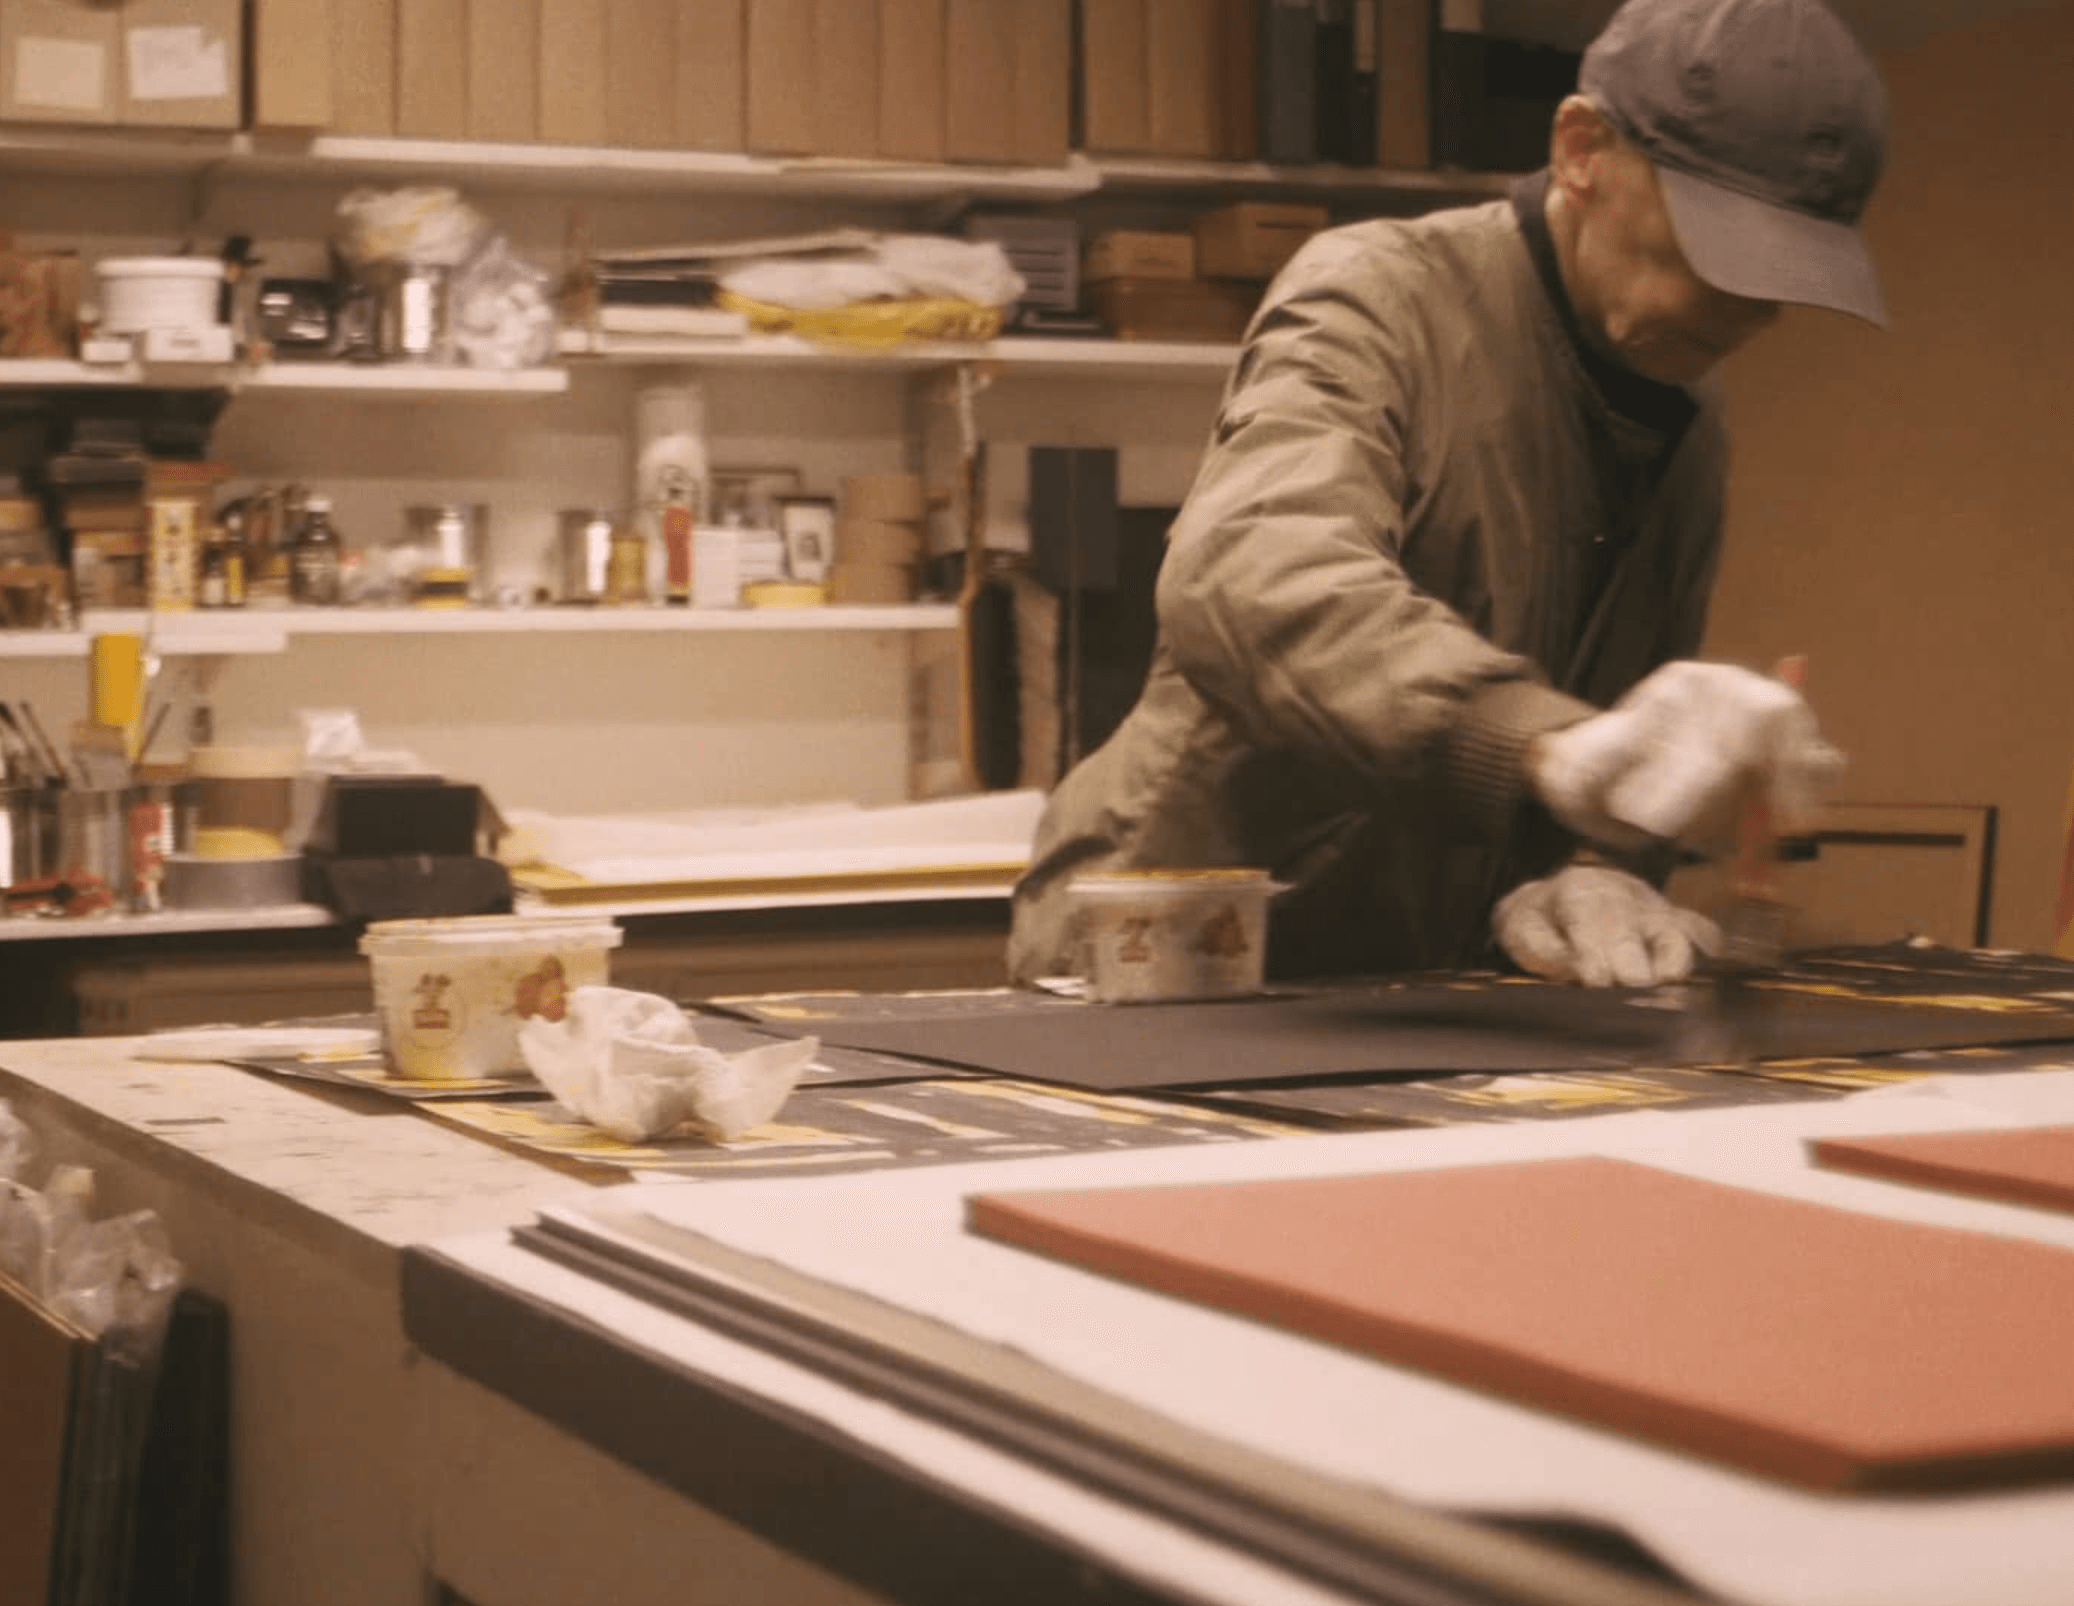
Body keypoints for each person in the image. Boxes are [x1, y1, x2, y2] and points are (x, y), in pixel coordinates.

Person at [1008, 0, 1888, 990]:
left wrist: (1595, 863)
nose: (1745, 308)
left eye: (1781, 276)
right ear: (1580, 149)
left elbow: (1613, 727)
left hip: (1417, 994)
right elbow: (1245, 576)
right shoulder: (1383, 290)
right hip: (1179, 958)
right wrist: (1543, 748)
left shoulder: (1687, 402)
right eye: (1716, 250)